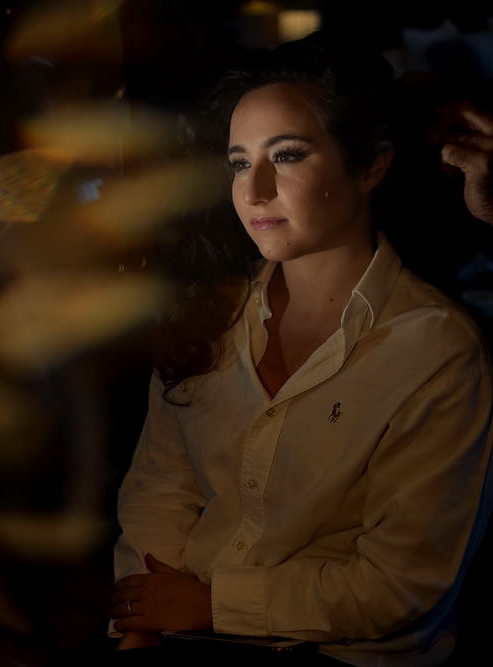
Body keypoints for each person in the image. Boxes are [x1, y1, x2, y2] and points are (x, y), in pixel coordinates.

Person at [109, 34, 493, 666]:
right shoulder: (214, 316)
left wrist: (210, 604)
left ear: (370, 166)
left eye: (286, 156)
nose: (254, 189)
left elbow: (400, 582)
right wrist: (140, 625)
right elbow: (159, 489)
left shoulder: (435, 348)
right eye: (238, 162)